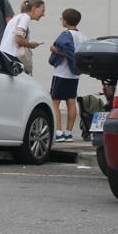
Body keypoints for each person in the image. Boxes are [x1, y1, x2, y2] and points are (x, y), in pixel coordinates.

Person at [47, 8, 85, 142]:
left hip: (61, 73)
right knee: (71, 102)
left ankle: (58, 132)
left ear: (65, 21)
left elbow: (64, 49)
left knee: (55, 103)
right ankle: (68, 133)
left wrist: (54, 49)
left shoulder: (66, 34)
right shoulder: (81, 36)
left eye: (61, 18)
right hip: (74, 75)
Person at [0, 0, 45, 74]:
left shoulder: (18, 17)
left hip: (5, 55)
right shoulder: (25, 18)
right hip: (12, 57)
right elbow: (18, 39)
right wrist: (30, 45)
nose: (43, 14)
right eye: (42, 11)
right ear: (34, 8)